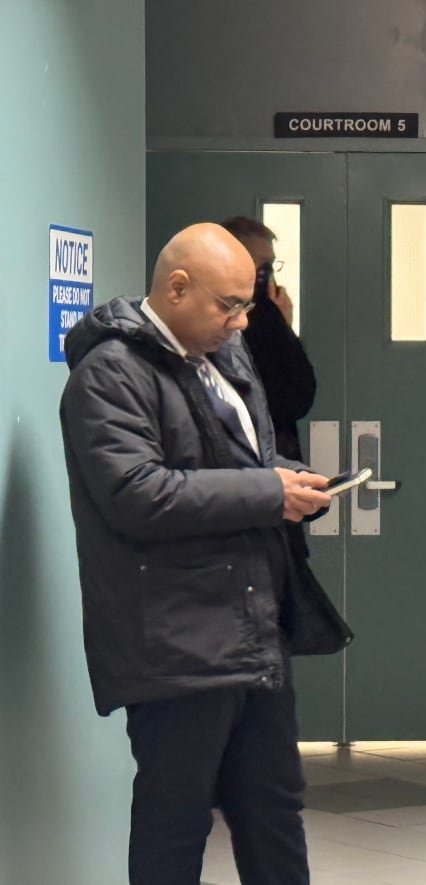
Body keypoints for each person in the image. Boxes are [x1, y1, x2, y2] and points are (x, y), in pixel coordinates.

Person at [59, 223, 351, 885]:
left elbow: (237, 464)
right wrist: (265, 491)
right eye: (229, 306)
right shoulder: (109, 374)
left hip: (253, 629)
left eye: (248, 305)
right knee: (175, 822)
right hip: (177, 644)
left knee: (273, 811)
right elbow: (140, 494)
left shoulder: (226, 357)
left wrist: (289, 479)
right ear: (177, 287)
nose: (242, 323)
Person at [220, 215, 316, 463]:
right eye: (261, 263)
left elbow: (300, 393)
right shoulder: (224, 319)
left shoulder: (267, 312)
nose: (268, 273)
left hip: (271, 458)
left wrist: (285, 327)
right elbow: (294, 396)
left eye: (271, 265)